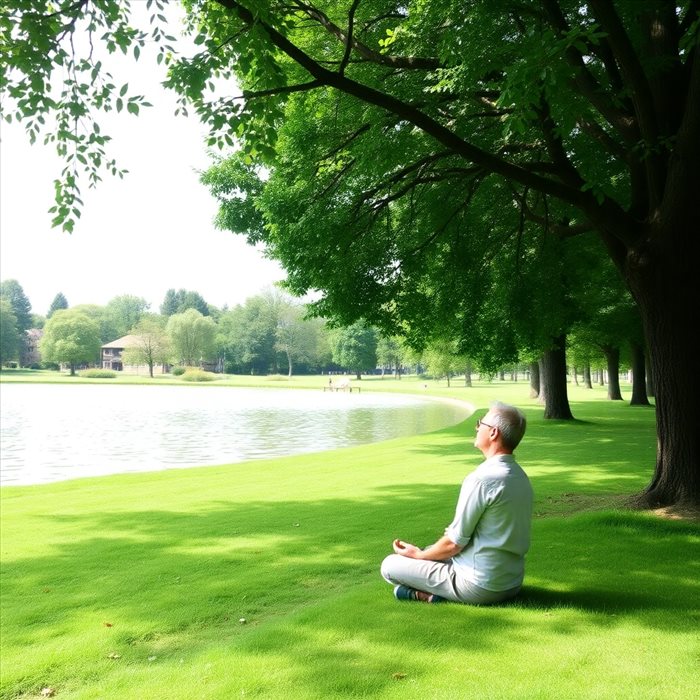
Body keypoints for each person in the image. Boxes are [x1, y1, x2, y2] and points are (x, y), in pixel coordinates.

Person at [380, 401, 533, 604]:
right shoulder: (519, 476)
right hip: (511, 583)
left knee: (390, 565)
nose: (477, 427)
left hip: (480, 586)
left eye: (481, 423)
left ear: (493, 433)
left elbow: (454, 544)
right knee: (430, 550)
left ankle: (423, 595)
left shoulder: (483, 479)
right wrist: (428, 551)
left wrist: (418, 555)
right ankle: (428, 588)